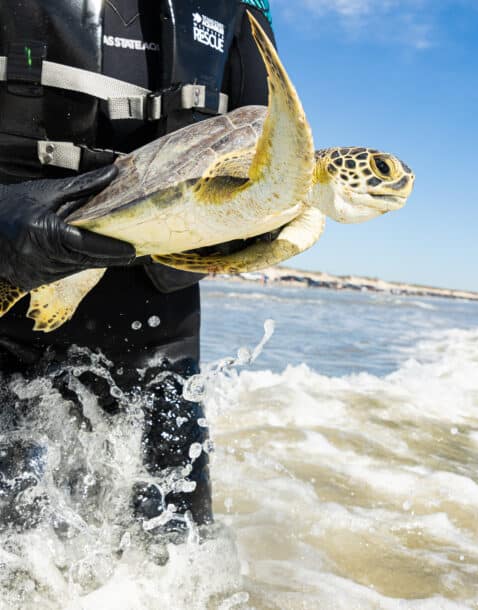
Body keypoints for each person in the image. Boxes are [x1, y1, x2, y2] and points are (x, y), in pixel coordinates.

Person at [0, 0, 275, 529]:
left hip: (162, 347)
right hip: (7, 301)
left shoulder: (245, 5)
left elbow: (265, 139)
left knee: (179, 564)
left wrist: (262, 223)